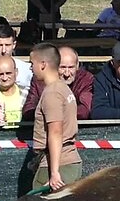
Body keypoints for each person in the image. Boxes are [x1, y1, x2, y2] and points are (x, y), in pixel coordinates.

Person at [25, 42, 80, 192]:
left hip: (58, 164)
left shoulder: (52, 93)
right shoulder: (63, 88)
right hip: (66, 160)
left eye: (32, 63)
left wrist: (54, 173)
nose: (31, 68)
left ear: (43, 64)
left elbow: (55, 131)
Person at [25, 46, 92, 121]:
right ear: (55, 66)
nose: (67, 74)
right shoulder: (39, 80)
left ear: (77, 66)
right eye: (62, 67)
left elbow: (84, 111)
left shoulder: (85, 79)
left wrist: (53, 114)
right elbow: (28, 110)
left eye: (71, 67)